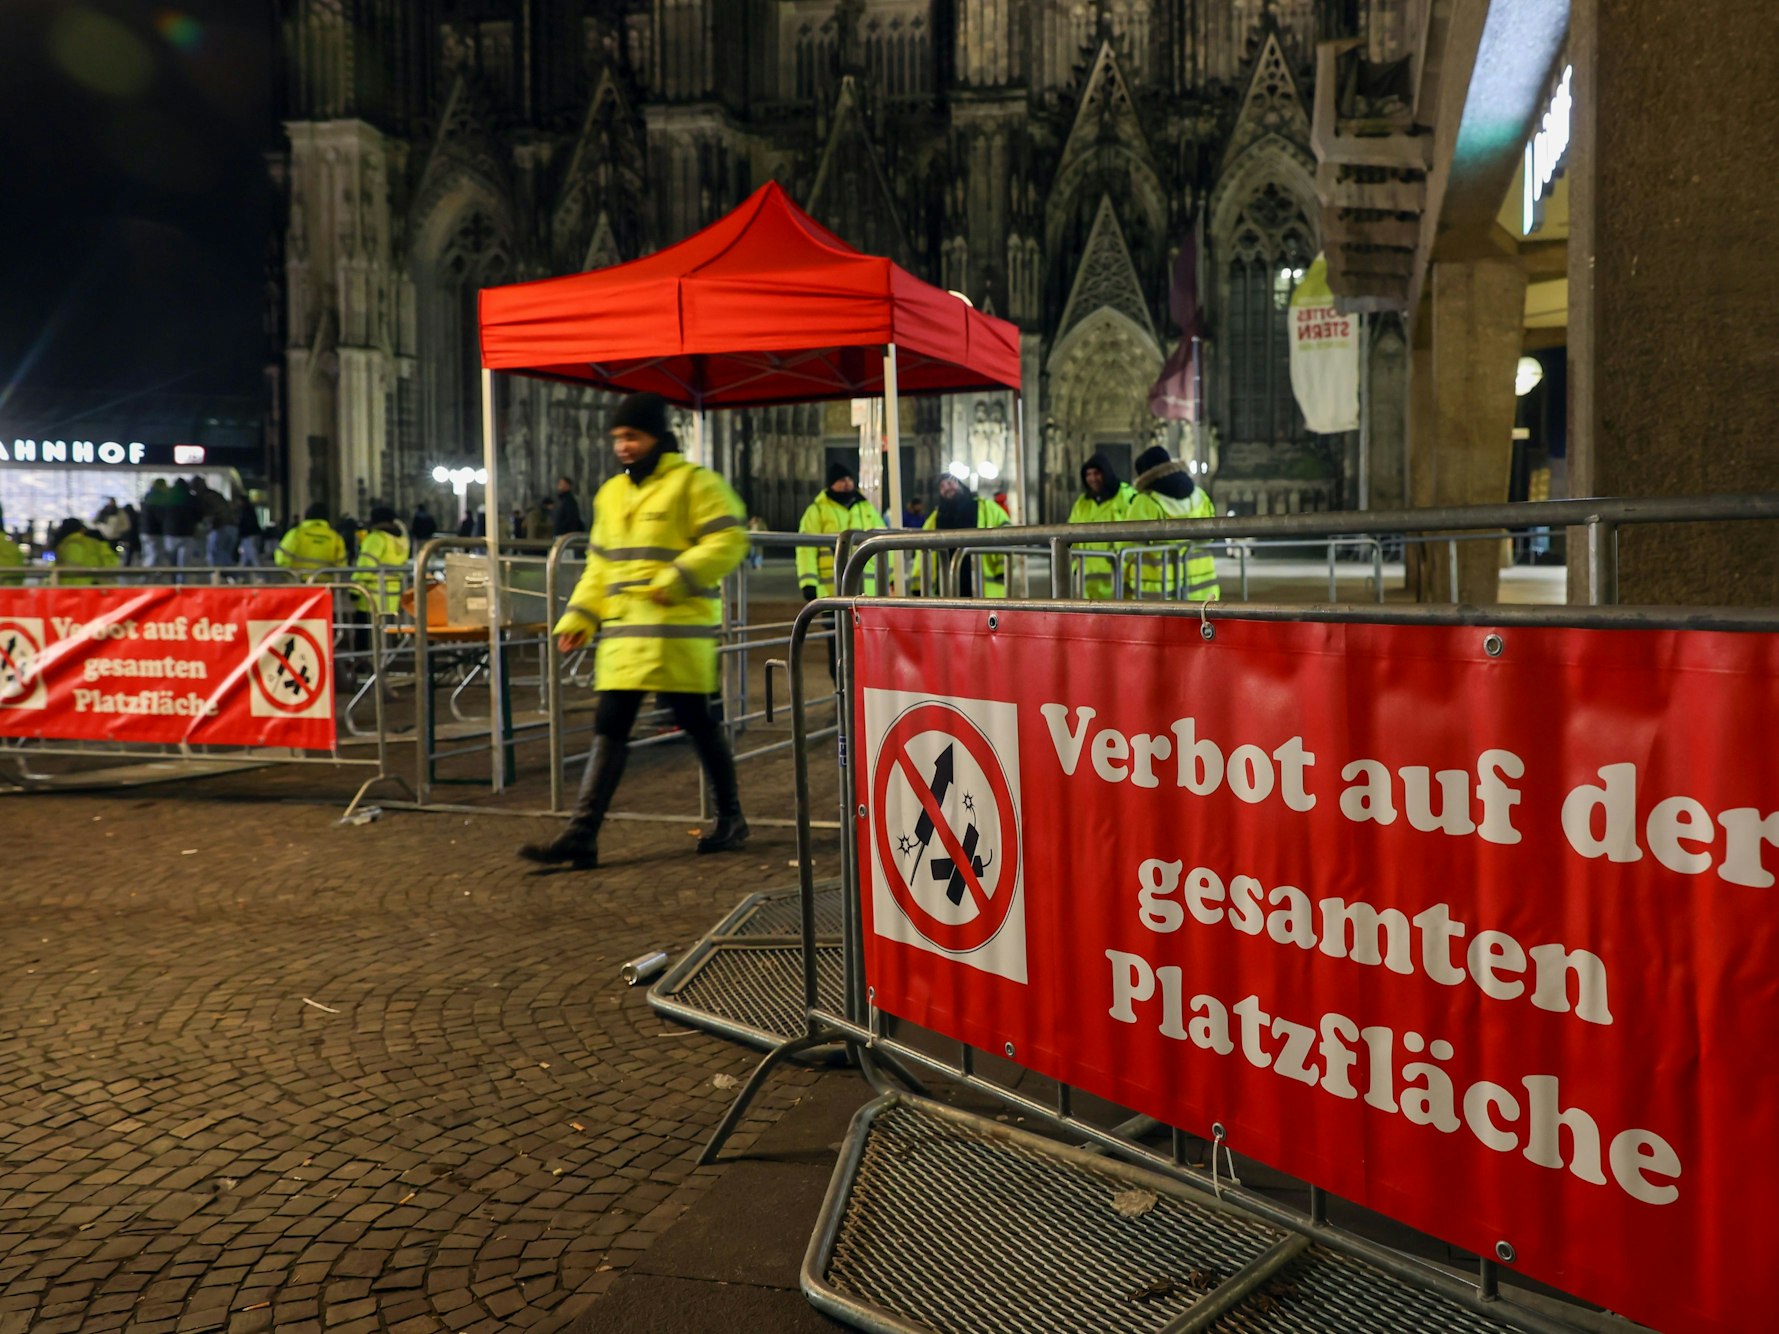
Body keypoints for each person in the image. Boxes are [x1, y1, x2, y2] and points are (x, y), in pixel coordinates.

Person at [520, 392, 750, 871]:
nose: (623, 446)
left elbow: (730, 538)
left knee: (699, 725)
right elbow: (599, 567)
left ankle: (730, 816)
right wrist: (580, 617)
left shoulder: (693, 484)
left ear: (656, 437)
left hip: (675, 636)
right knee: (610, 727)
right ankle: (582, 833)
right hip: (626, 639)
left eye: (632, 436)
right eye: (618, 438)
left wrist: (680, 578)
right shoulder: (610, 494)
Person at [798, 460, 888, 679]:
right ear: (831, 484)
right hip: (832, 593)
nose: (847, 484)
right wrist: (807, 582)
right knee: (837, 646)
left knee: (869, 644)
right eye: (841, 480)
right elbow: (806, 548)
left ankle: (863, 690)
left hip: (867, 592)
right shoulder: (817, 510)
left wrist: (890, 578)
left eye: (849, 479)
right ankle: (841, 693)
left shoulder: (865, 507)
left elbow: (886, 543)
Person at [1123, 444, 1220, 601]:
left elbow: (1128, 548)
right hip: (1203, 589)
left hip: (1159, 591)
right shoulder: (1200, 495)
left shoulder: (1146, 501)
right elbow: (1211, 535)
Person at [921, 473, 1011, 597]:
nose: (946, 487)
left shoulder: (986, 508)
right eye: (942, 486)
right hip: (946, 588)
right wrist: (918, 585)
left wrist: (1003, 570)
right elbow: (921, 551)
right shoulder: (935, 518)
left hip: (982, 588)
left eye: (950, 482)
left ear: (961, 484)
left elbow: (1007, 535)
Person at [1068, 451, 1136, 599]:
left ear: (1107, 472)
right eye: (1088, 474)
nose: (1092, 478)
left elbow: (1136, 536)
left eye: (1097, 473)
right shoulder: (1082, 503)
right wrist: (1075, 568)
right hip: (1088, 581)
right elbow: (1070, 536)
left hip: (1120, 579)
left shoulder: (1127, 496)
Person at [352, 504, 411, 651]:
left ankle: (365, 665)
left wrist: (354, 590)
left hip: (371, 596)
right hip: (392, 596)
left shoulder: (376, 538)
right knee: (386, 634)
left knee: (365, 635)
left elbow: (365, 566)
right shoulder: (401, 541)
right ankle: (387, 660)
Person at [276, 501, 348, 577]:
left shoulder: (296, 533)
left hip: (298, 582)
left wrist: (288, 574)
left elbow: (281, 557)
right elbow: (341, 564)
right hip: (324, 584)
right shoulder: (335, 537)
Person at [49, 518, 119, 585]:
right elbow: (112, 564)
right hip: (95, 588)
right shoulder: (95, 543)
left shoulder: (65, 544)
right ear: (82, 529)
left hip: (67, 588)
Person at [161, 478, 199, 568]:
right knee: (184, 562)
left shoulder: (167, 498)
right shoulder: (192, 498)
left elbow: (162, 515)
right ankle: (182, 581)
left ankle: (173, 580)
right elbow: (198, 514)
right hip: (188, 533)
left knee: (172, 560)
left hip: (171, 532)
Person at [140, 478, 170, 567]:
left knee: (149, 553)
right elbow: (160, 517)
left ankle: (150, 575)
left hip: (145, 530)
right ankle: (149, 576)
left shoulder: (148, 496)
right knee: (155, 554)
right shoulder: (159, 498)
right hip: (155, 531)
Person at [236, 494, 264, 565]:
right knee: (246, 554)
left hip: (249, 535)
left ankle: (259, 573)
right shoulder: (249, 509)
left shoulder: (245, 510)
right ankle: (240, 572)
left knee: (252, 554)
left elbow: (245, 523)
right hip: (250, 534)